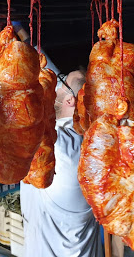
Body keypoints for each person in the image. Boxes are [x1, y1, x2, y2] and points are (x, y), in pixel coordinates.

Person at [20, 69, 104, 257]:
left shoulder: (57, 145)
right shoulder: (95, 144)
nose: (56, 87)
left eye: (62, 81)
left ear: (69, 101)